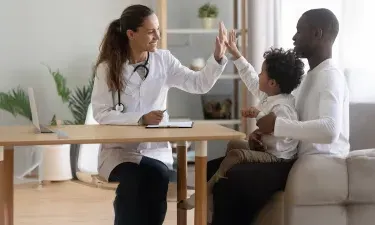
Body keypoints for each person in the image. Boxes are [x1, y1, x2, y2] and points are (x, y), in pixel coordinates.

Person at [208, 8, 349, 225]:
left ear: (317, 34)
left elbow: (330, 130)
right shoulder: (310, 77)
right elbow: (265, 89)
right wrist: (236, 55)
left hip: (317, 164)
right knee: (211, 167)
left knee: (232, 179)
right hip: (292, 157)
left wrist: (277, 125)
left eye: (299, 31)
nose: (294, 37)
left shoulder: (330, 77)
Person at [90, 4, 228, 225]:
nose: (158, 36)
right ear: (131, 34)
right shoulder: (107, 68)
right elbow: (100, 113)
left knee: (157, 176)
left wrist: (218, 58)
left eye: (158, 30)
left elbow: (199, 84)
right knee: (136, 179)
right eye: (151, 31)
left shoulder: (164, 61)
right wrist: (140, 118)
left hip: (154, 149)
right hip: (119, 152)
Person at [178, 30, 304, 211]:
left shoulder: (283, 106)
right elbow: (249, 76)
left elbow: (279, 130)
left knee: (236, 155)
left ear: (273, 83)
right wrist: (235, 53)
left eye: (262, 73)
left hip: (277, 159)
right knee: (235, 143)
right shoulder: (270, 96)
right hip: (266, 150)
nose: (259, 75)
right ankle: (216, 188)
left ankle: (205, 191)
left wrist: (258, 118)